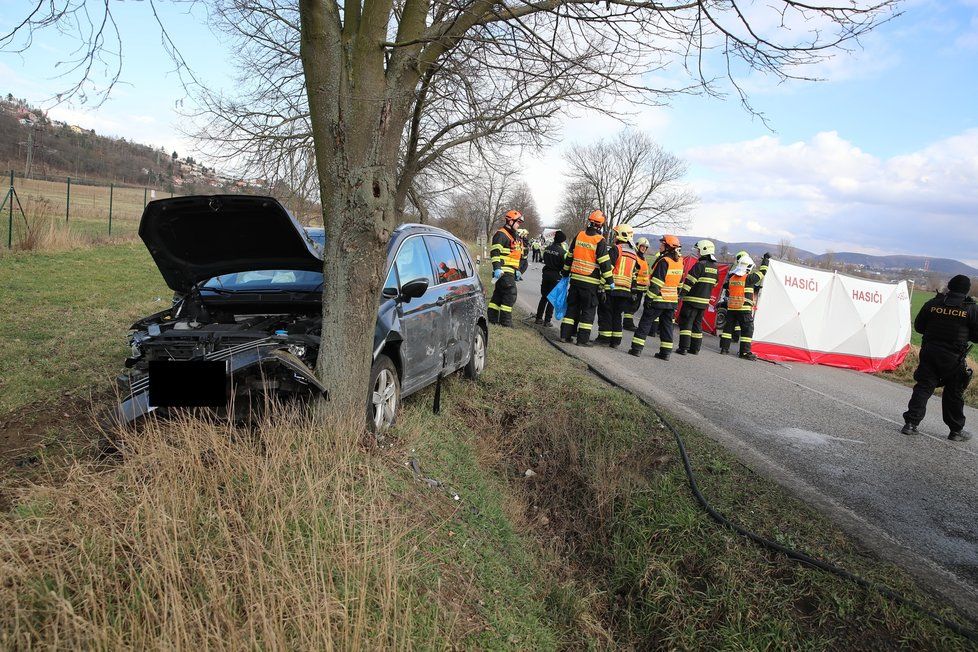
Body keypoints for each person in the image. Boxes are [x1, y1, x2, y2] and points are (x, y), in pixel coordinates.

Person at [901, 275, 977, 441]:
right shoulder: (970, 308)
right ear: (966, 290)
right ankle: (956, 431)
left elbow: (919, 327)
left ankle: (911, 424)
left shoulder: (933, 304)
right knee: (954, 393)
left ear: (949, 287)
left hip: (929, 352)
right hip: (953, 358)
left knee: (923, 387)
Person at [561, 210, 613, 346]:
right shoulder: (599, 240)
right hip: (591, 283)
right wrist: (610, 281)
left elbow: (569, 257)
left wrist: (565, 274)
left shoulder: (579, 235)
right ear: (600, 226)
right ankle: (582, 340)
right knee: (588, 312)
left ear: (589, 222)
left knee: (572, 308)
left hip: (575, 281)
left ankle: (565, 336)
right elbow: (604, 263)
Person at [629, 235, 683, 359]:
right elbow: (680, 283)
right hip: (672, 301)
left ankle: (636, 349)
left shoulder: (664, 261)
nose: (660, 246)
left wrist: (648, 298)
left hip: (658, 299)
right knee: (667, 327)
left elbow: (657, 284)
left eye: (662, 244)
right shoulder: (679, 262)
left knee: (645, 323)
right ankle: (665, 353)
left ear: (668, 247)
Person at [719, 251, 770, 359]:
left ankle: (724, 348)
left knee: (728, 329)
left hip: (732, 308)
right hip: (744, 308)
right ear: (748, 267)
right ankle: (745, 352)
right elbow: (762, 272)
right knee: (748, 330)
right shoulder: (749, 278)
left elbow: (733, 288)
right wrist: (766, 259)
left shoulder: (732, 278)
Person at [597, 224, 640, 348]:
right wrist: (633, 291)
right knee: (617, 315)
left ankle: (604, 339)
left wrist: (601, 285)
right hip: (625, 291)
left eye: (616, 234)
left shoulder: (617, 249)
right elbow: (634, 274)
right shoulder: (633, 253)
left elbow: (608, 269)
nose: (615, 236)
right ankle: (615, 341)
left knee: (606, 313)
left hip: (612, 288)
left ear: (621, 235)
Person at [675, 239, 719, 355]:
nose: (698, 253)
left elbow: (689, 282)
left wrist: (681, 295)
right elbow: (715, 284)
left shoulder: (700, 265)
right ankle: (695, 349)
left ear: (704, 250)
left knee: (686, 323)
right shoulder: (715, 267)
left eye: (699, 250)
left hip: (691, 301)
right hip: (703, 303)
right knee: (697, 325)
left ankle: (683, 348)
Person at [487, 210, 525, 327]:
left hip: (511, 271)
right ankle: (506, 322)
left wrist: (518, 269)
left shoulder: (515, 236)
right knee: (510, 293)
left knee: (499, 294)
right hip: (503, 271)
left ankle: (492, 319)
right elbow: (495, 252)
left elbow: (516, 254)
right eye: (518, 222)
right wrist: (497, 268)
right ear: (510, 221)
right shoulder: (501, 234)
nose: (519, 225)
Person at [536, 230, 567, 326]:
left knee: (543, 298)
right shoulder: (563, 252)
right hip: (556, 277)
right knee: (552, 300)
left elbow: (542, 259)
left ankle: (538, 318)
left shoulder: (547, 248)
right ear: (562, 241)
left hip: (546, 275)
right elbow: (565, 266)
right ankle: (547, 321)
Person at [624, 237, 651, 331]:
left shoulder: (643, 259)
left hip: (641, 288)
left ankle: (628, 322)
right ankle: (627, 323)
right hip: (635, 287)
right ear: (638, 246)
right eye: (642, 246)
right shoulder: (636, 258)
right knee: (631, 306)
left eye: (645, 247)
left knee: (635, 306)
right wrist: (633, 288)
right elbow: (633, 273)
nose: (643, 248)